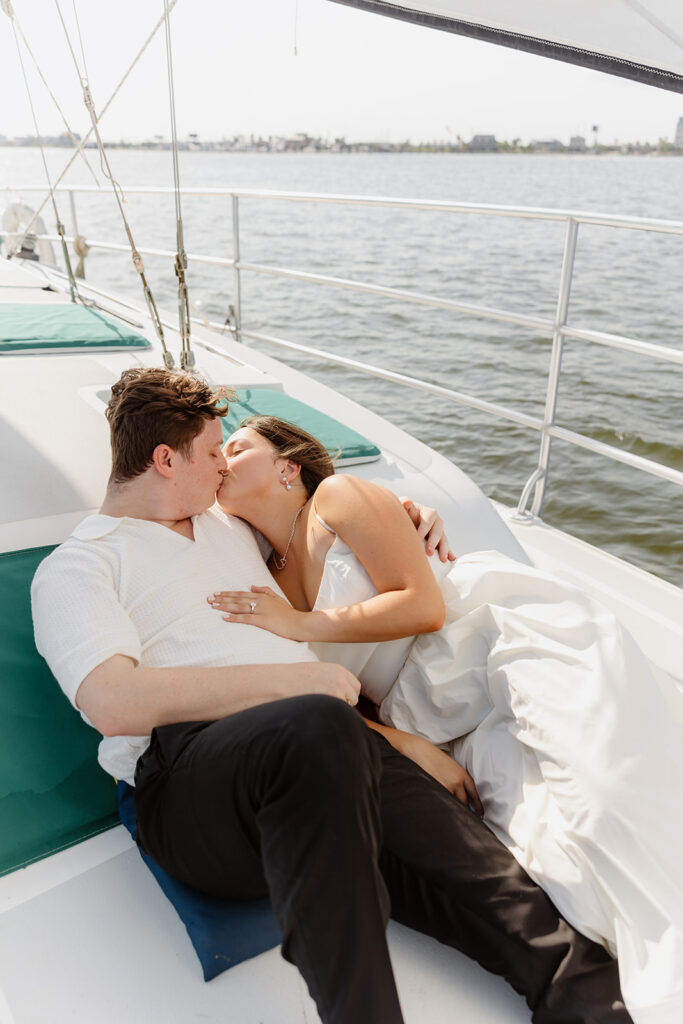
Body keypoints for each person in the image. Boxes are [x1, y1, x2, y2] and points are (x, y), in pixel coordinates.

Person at [31, 367, 631, 1024]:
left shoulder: (229, 529)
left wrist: (408, 518)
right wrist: (296, 685)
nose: (221, 472)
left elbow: (313, 527)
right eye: (211, 454)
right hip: (197, 789)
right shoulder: (81, 565)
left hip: (326, 744)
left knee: (526, 919)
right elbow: (112, 701)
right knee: (314, 726)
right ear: (165, 459)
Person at [212, 414, 683, 1024]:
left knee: (602, 797)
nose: (224, 458)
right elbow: (327, 691)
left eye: (237, 446)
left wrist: (301, 624)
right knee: (548, 850)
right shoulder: (260, 571)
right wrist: (403, 743)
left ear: (287, 466)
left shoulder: (336, 497)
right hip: (434, 717)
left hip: (494, 642)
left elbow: (424, 605)